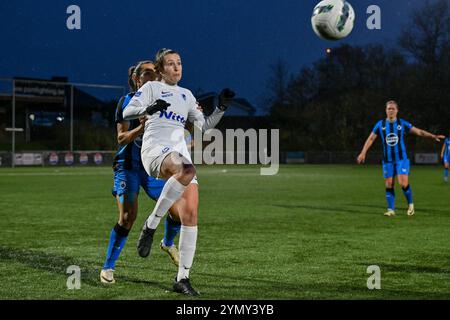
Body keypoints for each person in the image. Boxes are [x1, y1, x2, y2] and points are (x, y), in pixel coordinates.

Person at [123, 48, 234, 296]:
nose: (177, 67)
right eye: (171, 64)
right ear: (161, 70)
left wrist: (221, 108)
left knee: (190, 215)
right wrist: (149, 109)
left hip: (179, 154)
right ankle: (151, 226)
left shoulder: (186, 95)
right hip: (154, 151)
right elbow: (126, 112)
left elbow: (202, 127)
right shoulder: (150, 88)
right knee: (187, 169)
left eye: (179, 63)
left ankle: (182, 278)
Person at [100, 61, 182, 284]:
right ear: (137, 79)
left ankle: (167, 242)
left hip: (153, 167)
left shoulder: (165, 101)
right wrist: (141, 127)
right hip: (128, 168)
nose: (153, 76)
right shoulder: (126, 102)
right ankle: (108, 267)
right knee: (128, 217)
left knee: (178, 210)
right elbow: (121, 138)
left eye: (156, 72)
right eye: (147, 73)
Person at [357, 100, 445, 217]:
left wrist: (432, 136)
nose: (391, 110)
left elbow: (418, 131)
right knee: (389, 184)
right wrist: (363, 152)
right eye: (389, 108)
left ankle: (411, 205)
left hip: (401, 159)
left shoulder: (401, 123)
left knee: (403, 183)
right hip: (387, 159)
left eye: (393, 108)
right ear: (386, 111)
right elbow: (371, 139)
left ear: (397, 110)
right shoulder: (380, 124)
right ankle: (391, 210)